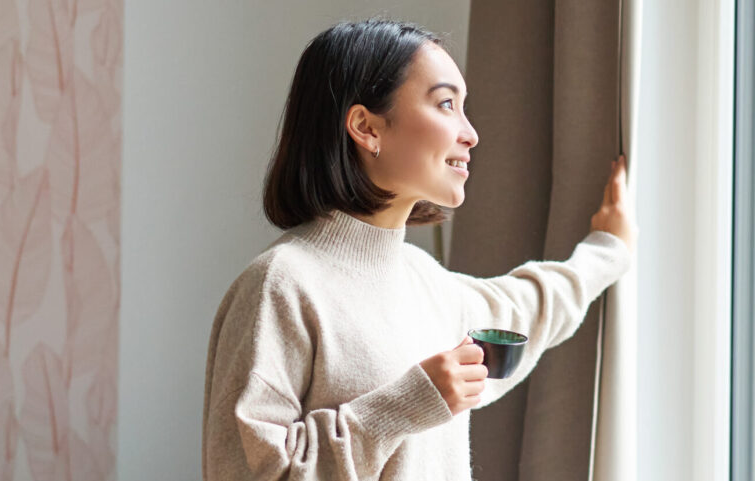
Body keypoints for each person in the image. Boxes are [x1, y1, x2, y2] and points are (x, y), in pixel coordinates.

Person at [202, 18, 636, 480]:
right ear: (367, 127)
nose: (470, 134)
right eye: (446, 104)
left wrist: (607, 249)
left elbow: (526, 306)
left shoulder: (427, 283)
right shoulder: (280, 285)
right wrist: (410, 403)